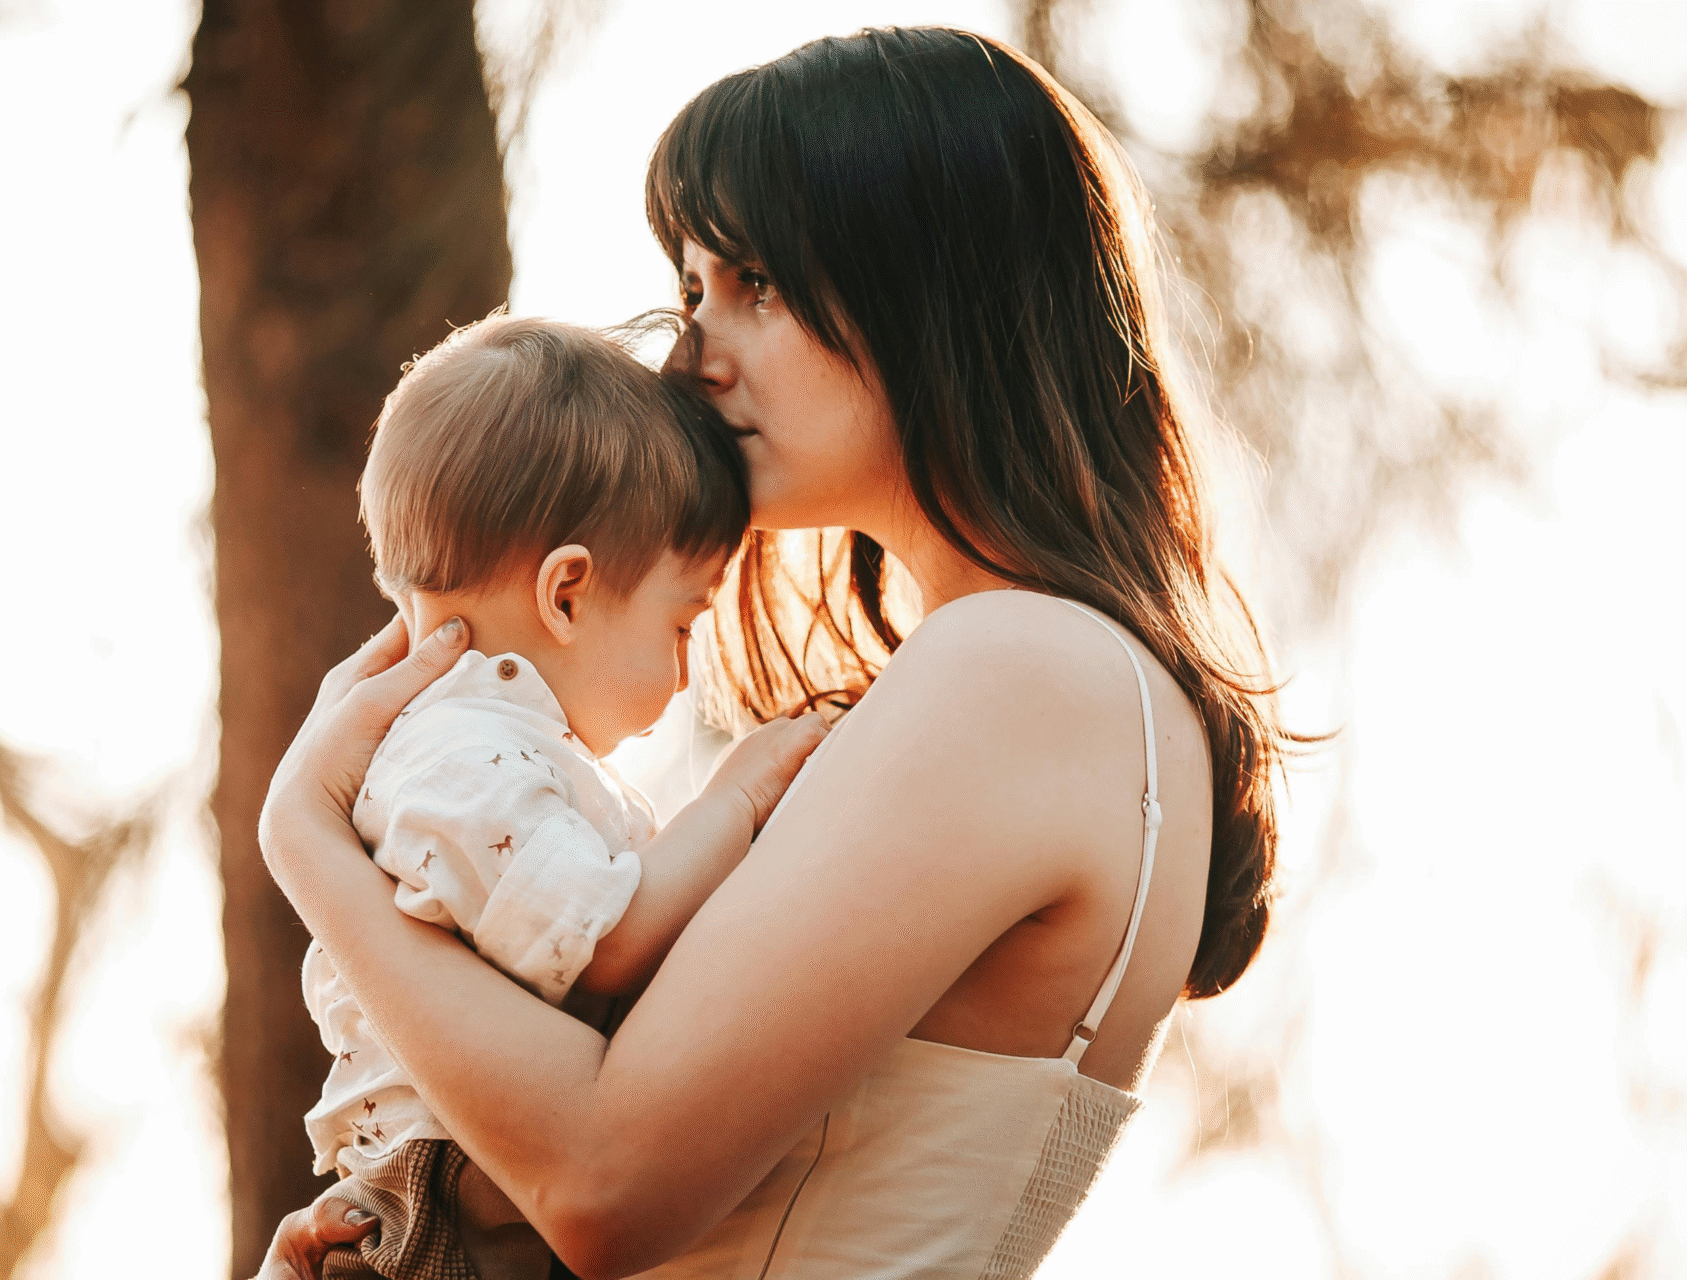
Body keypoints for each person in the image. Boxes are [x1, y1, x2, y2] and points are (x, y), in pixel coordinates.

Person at [257, 26, 1294, 1279]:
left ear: (931, 287)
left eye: (753, 284)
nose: (694, 355)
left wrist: (309, 843)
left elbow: (602, 1181)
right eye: (692, 290)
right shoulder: (1045, 674)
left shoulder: (1015, 668)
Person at [291, 314, 829, 1279]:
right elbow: (609, 942)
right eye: (683, 619)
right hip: (441, 1224)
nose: (685, 666)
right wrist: (739, 798)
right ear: (567, 593)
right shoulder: (465, 761)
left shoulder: (478, 751)